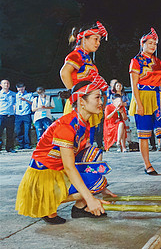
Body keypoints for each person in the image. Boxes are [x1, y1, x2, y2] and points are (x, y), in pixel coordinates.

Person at [15, 79, 115, 224]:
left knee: (93, 154)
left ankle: (80, 207)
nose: (101, 102)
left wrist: (101, 189)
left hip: (58, 169)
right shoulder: (67, 126)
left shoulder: (82, 123)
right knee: (96, 182)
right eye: (97, 97)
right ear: (81, 101)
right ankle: (47, 205)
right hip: (44, 176)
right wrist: (90, 197)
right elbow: (69, 167)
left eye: (101, 97)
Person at [128, 28, 161, 174]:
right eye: (150, 43)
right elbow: (134, 84)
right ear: (142, 44)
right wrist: (139, 104)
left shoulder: (158, 61)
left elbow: (160, 83)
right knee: (144, 133)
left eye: (155, 44)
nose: (153, 46)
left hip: (157, 98)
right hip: (143, 96)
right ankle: (147, 165)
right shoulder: (135, 61)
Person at [59, 22, 109, 144]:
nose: (98, 43)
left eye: (99, 40)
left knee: (86, 140)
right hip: (79, 103)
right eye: (95, 39)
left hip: (87, 102)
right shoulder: (76, 55)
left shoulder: (86, 58)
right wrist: (74, 94)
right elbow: (64, 73)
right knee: (76, 140)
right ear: (83, 39)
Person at [15, 83, 34, 149]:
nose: (21, 89)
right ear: (17, 88)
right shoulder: (15, 95)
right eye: (19, 88)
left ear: (24, 87)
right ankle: (21, 144)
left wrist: (25, 100)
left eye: (22, 87)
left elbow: (33, 103)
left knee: (27, 130)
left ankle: (27, 144)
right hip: (18, 115)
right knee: (18, 130)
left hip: (26, 114)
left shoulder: (29, 94)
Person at [0, 79, 16, 153]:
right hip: (1, 116)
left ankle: (9, 148)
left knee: (10, 133)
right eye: (4, 83)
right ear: (1, 85)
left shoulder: (13, 94)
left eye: (8, 83)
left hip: (10, 116)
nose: (6, 84)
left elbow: (16, 103)